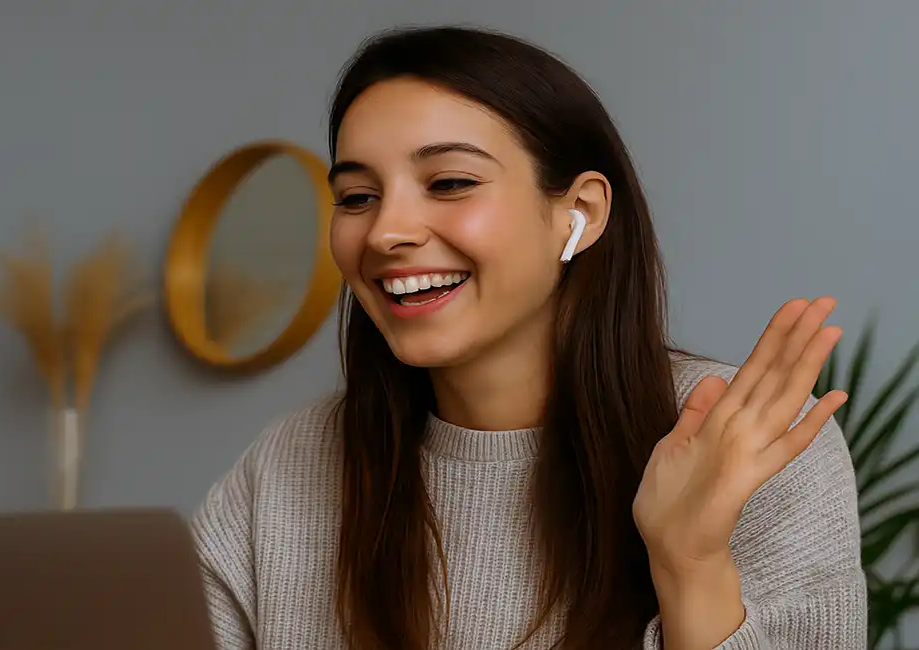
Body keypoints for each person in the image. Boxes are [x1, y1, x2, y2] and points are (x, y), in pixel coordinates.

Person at [190, 25, 866, 650]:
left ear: (579, 214)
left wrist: (690, 566)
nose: (387, 232)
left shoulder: (751, 451)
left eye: (450, 182)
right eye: (358, 196)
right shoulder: (286, 468)